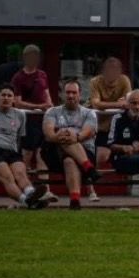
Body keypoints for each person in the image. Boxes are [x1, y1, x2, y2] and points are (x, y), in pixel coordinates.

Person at [0, 85, 49, 208]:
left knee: (20, 173)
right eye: (3, 95)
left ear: (14, 99)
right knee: (8, 177)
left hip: (11, 151)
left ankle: (32, 193)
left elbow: (18, 139)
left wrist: (16, 153)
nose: (6, 98)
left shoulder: (20, 115)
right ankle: (26, 201)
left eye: (9, 95)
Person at [43, 78, 101, 210]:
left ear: (79, 95)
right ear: (62, 94)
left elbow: (87, 132)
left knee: (69, 160)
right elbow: (49, 135)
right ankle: (89, 169)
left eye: (74, 93)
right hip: (55, 153)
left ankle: (74, 200)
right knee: (65, 133)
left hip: (85, 152)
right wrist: (63, 135)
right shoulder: (52, 112)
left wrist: (76, 136)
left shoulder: (89, 113)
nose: (71, 96)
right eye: (68, 92)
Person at [87, 56, 131, 202]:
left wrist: (121, 103)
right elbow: (96, 104)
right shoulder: (95, 82)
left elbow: (128, 102)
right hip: (97, 125)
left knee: (108, 156)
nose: (111, 75)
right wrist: (117, 104)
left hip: (116, 126)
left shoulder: (124, 81)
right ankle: (90, 188)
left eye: (115, 72)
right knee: (99, 157)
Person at [106, 89, 139, 207]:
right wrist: (124, 148)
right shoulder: (118, 118)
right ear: (128, 103)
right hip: (122, 159)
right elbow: (111, 145)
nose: (137, 107)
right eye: (134, 103)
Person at [11, 44, 51, 172]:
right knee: (27, 154)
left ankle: (45, 189)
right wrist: (39, 107)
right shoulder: (18, 78)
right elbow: (17, 102)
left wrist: (50, 109)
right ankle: (25, 185)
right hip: (27, 121)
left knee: (42, 154)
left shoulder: (43, 75)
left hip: (43, 121)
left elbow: (47, 94)